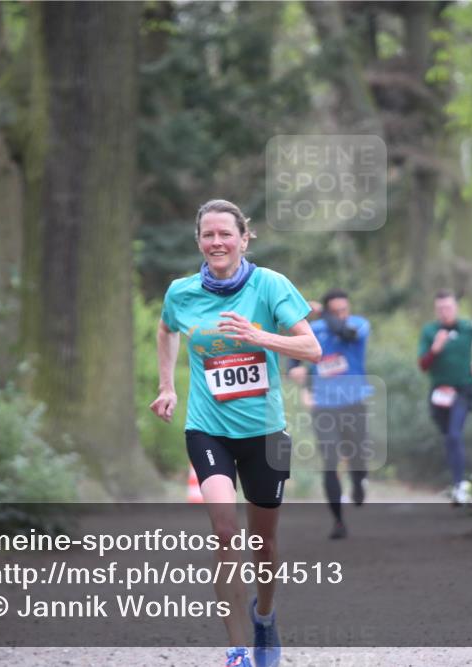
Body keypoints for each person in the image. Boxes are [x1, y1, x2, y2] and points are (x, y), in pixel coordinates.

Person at [150, 199, 321, 667]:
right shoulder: (181, 293)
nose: (217, 242)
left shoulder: (270, 286)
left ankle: (264, 616)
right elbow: (166, 330)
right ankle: (237, 649)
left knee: (264, 543)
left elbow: (312, 347)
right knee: (226, 532)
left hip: (265, 432)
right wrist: (167, 386)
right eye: (208, 234)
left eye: (226, 233)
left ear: (245, 238)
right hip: (208, 430)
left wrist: (259, 336)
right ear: (199, 241)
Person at [288, 289, 373, 540]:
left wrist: (325, 314)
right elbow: (294, 356)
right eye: (335, 311)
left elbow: (345, 332)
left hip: (354, 401)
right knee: (330, 460)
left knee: (357, 455)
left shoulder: (358, 324)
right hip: (324, 405)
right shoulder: (314, 329)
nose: (341, 315)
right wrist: (296, 373)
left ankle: (358, 482)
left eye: (343, 310)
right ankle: (338, 521)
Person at [417, 289, 472, 505]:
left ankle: (460, 485)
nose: (445, 312)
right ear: (435, 310)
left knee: (455, 435)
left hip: (463, 390)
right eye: (440, 309)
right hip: (439, 393)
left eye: (448, 307)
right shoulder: (430, 331)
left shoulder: (469, 327)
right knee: (449, 438)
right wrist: (435, 349)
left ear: (456, 308)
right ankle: (459, 483)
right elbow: (423, 365)